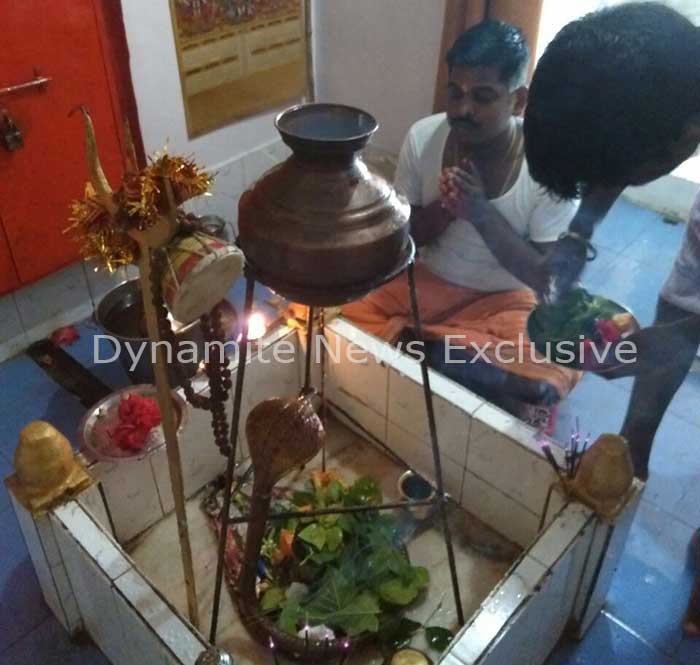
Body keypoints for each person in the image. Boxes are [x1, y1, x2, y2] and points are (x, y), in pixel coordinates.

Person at [523, 2, 700, 637]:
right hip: (695, 276)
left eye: (614, 177)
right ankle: (605, 544)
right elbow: (620, 156)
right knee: (642, 418)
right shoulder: (672, 95)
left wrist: (674, 340)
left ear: (682, 138)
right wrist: (577, 232)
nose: (609, 184)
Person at [342, 20, 581, 423]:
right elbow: (404, 239)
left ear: (518, 100)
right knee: (331, 305)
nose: (462, 110)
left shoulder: (552, 165)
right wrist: (444, 210)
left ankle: (423, 349)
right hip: (425, 283)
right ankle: (445, 356)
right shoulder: (424, 137)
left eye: (482, 97)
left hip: (506, 301)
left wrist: (480, 211)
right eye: (455, 92)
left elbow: (545, 278)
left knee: (548, 373)